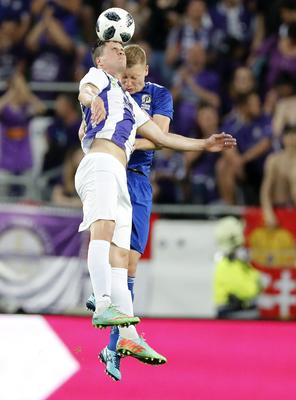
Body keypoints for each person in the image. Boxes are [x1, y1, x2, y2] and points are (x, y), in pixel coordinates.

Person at [76, 39, 236, 379]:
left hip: (121, 173)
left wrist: (203, 144)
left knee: (122, 254)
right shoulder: (101, 79)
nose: (120, 54)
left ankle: (127, 337)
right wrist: (92, 104)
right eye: (114, 51)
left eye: (124, 53)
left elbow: (164, 138)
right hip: (102, 164)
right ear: (103, 61)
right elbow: (85, 91)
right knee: (104, 231)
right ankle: (103, 303)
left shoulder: (135, 106)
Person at [260, 125, 296, 228]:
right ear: (283, 138)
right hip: (278, 210)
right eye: (289, 135)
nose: (292, 139)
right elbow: (266, 190)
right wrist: (268, 212)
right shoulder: (274, 161)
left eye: (294, 135)